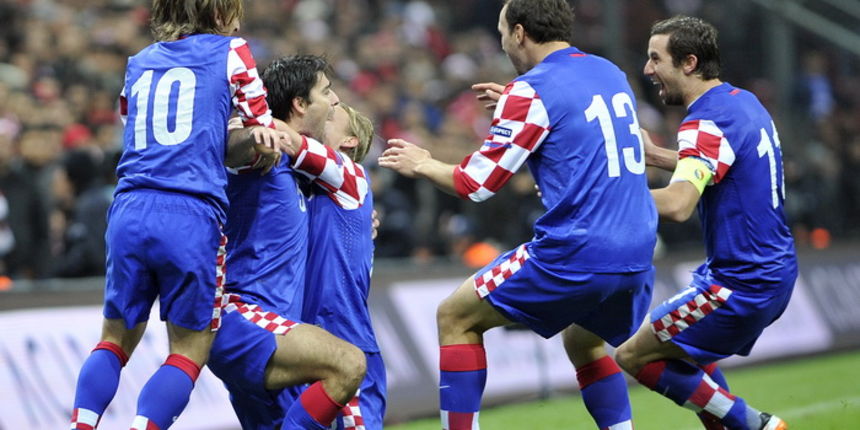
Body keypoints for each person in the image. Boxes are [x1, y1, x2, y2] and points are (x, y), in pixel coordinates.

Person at [378, 1, 657, 429]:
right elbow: (577, 123)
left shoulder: (532, 91)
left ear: (521, 32)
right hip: (639, 248)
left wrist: (423, 162)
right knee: (584, 341)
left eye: (503, 31)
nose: (504, 42)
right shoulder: (608, 71)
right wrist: (514, 100)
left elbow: (476, 185)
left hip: (578, 249)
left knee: (455, 315)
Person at [68, 1, 287, 429]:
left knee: (113, 340)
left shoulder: (139, 62)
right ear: (221, 14)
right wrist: (253, 148)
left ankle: (81, 423)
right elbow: (265, 135)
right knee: (188, 348)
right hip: (190, 211)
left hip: (130, 205)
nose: (239, 21)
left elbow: (138, 126)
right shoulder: (231, 51)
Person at [613, 16, 795, 430]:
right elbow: (722, 164)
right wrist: (658, 157)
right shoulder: (741, 102)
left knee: (633, 356)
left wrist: (600, 202)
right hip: (772, 269)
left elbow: (679, 204)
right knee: (686, 359)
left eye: (655, 58)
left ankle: (757, 425)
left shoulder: (703, 123)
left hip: (739, 282)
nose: (648, 70)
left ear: (689, 62)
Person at [208, 55, 368, 430]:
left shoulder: (300, 173)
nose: (333, 102)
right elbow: (232, 147)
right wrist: (251, 132)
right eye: (326, 93)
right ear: (300, 104)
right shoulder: (265, 150)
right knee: (348, 363)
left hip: (275, 330)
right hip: (245, 317)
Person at [302, 103, 386, 430]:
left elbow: (294, 144)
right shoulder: (308, 187)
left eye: (333, 112)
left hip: (345, 334)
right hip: (305, 335)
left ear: (349, 140)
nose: (323, 110)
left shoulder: (351, 173)